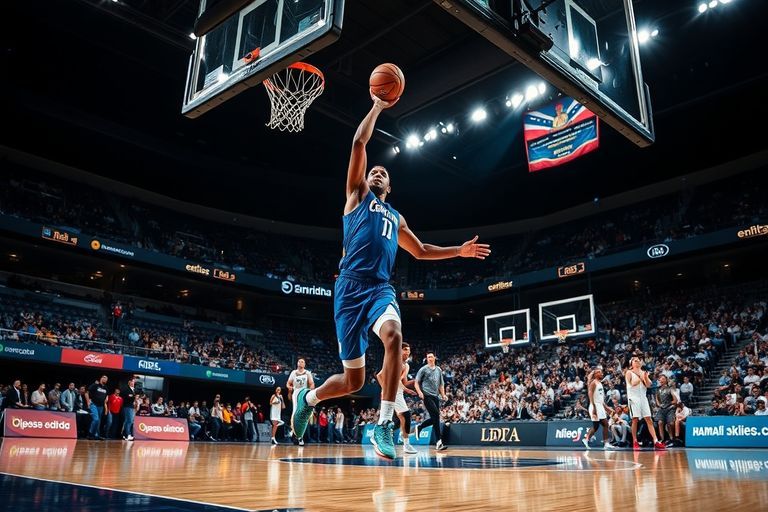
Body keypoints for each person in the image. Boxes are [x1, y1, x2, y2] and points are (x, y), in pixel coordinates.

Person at [290, 91, 491, 460]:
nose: (377, 171)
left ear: (390, 186)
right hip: (349, 290)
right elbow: (359, 141)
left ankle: (384, 423)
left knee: (395, 335)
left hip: (380, 289)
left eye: (383, 172)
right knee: (353, 381)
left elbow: (421, 250)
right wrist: (378, 107)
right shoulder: (356, 196)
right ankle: (308, 398)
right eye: (373, 171)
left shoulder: (396, 217)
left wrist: (458, 251)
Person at [376, 342, 418, 454]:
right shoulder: (394, 362)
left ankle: (382, 434)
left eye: (409, 350)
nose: (407, 352)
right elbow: (379, 375)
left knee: (398, 420)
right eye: (405, 349)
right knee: (406, 416)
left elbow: (403, 381)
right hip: (391, 391)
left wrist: (415, 383)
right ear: (399, 351)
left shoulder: (406, 365)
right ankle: (406, 444)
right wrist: (386, 389)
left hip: (398, 391)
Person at [625, 358, 665, 450]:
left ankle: (656, 441)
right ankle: (635, 441)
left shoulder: (643, 373)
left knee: (649, 419)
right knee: (635, 419)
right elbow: (632, 383)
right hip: (633, 398)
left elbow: (648, 385)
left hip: (643, 397)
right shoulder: (629, 372)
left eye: (639, 360)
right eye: (635, 360)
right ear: (631, 363)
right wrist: (641, 376)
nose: (637, 361)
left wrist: (646, 377)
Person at [415, 352, 448, 451]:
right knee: (436, 415)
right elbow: (416, 382)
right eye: (428, 357)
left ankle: (421, 427)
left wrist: (443, 394)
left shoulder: (438, 370)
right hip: (427, 396)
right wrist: (419, 392)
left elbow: (441, 384)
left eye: (431, 357)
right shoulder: (423, 369)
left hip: (435, 396)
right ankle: (439, 442)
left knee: (435, 418)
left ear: (434, 358)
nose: (429, 358)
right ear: (426, 359)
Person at [582, 368, 615, 450]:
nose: (602, 373)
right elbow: (590, 395)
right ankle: (605, 443)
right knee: (604, 424)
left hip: (600, 406)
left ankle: (587, 439)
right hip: (595, 406)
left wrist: (607, 408)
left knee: (598, 426)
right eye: (599, 372)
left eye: (601, 372)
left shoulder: (599, 383)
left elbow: (601, 399)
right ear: (595, 374)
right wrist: (593, 408)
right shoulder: (593, 383)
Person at [286, 358, 315, 446]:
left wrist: (311, 390)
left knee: (304, 414)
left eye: (302, 361)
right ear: (297, 363)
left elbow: (312, 384)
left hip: (304, 392)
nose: (301, 362)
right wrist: (289, 387)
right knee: (295, 413)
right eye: (299, 361)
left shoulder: (308, 373)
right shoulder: (293, 372)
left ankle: (300, 436)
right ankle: (296, 434)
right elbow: (288, 383)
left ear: (305, 364)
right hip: (296, 393)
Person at [655, 375, 678, 445]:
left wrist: (668, 403)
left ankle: (672, 438)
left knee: (670, 423)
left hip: (670, 408)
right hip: (662, 409)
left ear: (666, 380)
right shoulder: (658, 390)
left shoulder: (670, 389)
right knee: (660, 423)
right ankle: (662, 439)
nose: (661, 380)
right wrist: (659, 405)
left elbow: (675, 400)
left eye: (663, 379)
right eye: (660, 379)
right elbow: (657, 400)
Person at [86, 375, 109, 440]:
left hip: (101, 406)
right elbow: (86, 392)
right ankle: (90, 433)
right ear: (101, 378)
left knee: (98, 421)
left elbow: (106, 398)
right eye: (104, 378)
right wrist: (88, 402)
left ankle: (96, 435)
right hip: (94, 404)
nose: (105, 379)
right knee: (96, 419)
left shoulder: (106, 388)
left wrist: (106, 407)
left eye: (106, 378)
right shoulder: (95, 385)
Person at [121, 377, 138, 441]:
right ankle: (128, 434)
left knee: (128, 421)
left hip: (131, 406)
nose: (134, 383)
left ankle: (125, 435)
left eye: (134, 382)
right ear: (129, 382)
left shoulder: (133, 390)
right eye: (133, 381)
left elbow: (132, 397)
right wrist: (134, 397)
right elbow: (127, 397)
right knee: (129, 420)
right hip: (127, 406)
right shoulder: (126, 389)